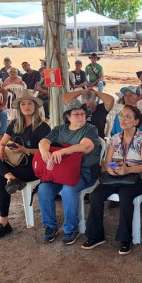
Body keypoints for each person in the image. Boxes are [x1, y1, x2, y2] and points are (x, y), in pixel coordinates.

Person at [82, 105, 142, 255]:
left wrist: (128, 170)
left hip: (138, 179)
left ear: (136, 121)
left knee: (125, 196)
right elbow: (107, 162)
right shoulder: (115, 138)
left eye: (127, 116)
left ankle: (125, 238)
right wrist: (111, 168)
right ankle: (96, 236)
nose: (123, 119)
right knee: (95, 196)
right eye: (121, 115)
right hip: (116, 178)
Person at [0, 91, 50, 239]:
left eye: (30, 103)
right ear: (19, 107)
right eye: (23, 104)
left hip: (33, 166)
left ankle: (3, 223)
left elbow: (45, 152)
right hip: (14, 163)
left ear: (36, 106)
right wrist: (0, 151)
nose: (26, 106)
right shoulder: (15, 124)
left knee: (0, 178)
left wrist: (25, 150)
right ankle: (10, 177)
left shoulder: (42, 127)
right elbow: (2, 142)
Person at [37, 100, 102, 245]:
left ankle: (71, 228)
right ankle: (50, 226)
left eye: (83, 114)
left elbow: (85, 147)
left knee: (68, 190)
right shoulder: (59, 129)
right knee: (43, 188)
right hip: (60, 173)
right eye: (76, 114)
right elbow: (44, 141)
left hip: (84, 173)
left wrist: (64, 150)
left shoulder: (90, 129)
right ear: (68, 116)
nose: (80, 117)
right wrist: (44, 151)